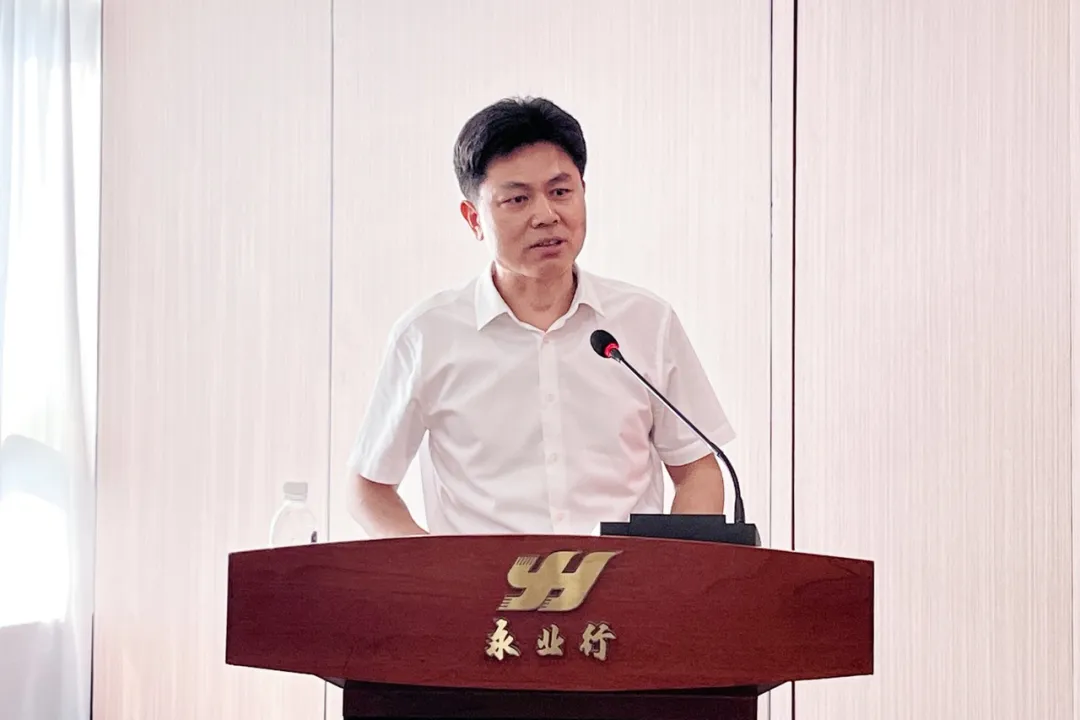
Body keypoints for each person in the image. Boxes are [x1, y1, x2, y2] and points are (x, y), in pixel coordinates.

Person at [346, 96, 735, 538]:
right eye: (517, 199)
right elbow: (367, 489)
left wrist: (667, 571)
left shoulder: (646, 322)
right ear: (474, 219)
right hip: (483, 583)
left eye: (560, 192)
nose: (546, 216)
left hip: (623, 580)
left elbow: (697, 470)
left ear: (583, 192)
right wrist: (436, 571)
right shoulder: (428, 335)